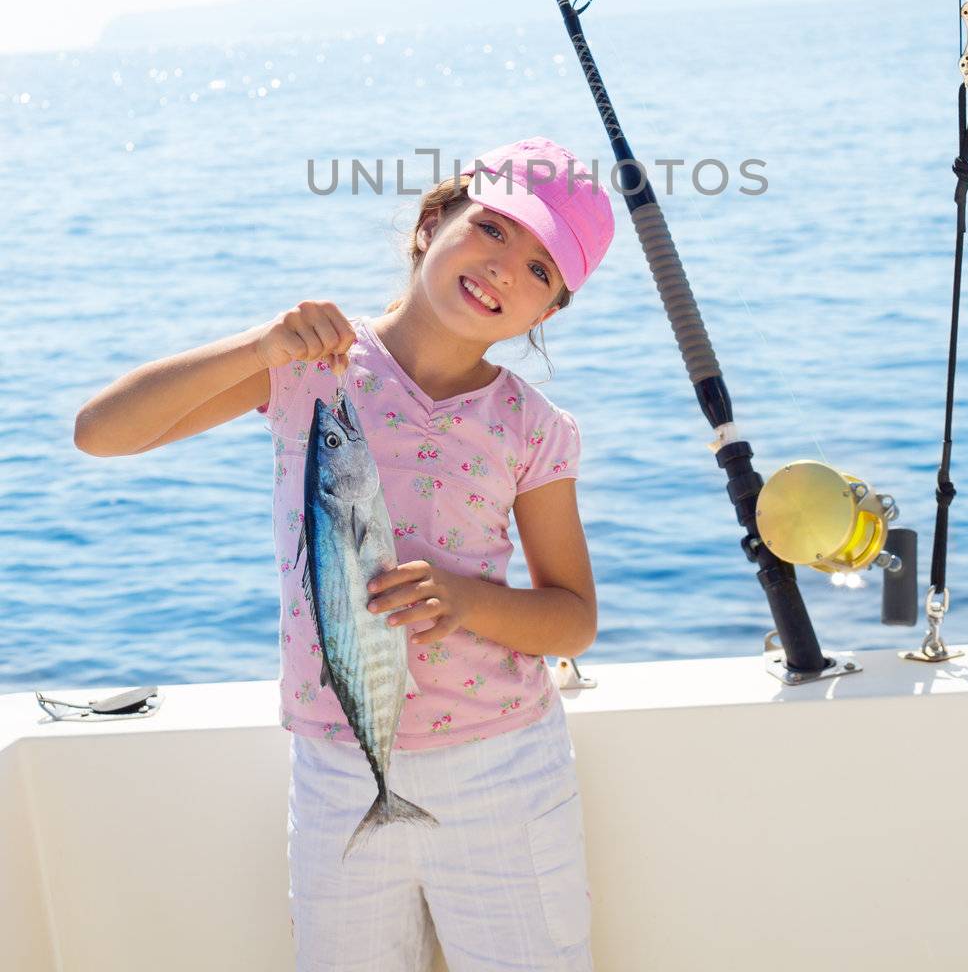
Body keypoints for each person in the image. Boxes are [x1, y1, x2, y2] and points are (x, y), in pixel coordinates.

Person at [74, 135, 614, 971]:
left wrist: (465, 599)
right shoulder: (308, 372)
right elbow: (102, 434)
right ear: (432, 223)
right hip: (338, 766)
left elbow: (571, 621)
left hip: (504, 770)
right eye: (494, 229)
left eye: (542, 271)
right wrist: (259, 346)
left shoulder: (534, 429)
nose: (507, 269)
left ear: (546, 314)